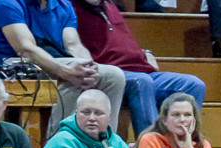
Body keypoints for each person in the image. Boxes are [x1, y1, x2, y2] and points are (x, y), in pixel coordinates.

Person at [0, 0, 125, 136]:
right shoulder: (8, 4)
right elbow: (26, 49)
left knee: (114, 76)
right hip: (18, 68)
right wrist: (65, 71)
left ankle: (103, 142)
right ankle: (59, 143)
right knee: (74, 78)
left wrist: (89, 68)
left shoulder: (63, 5)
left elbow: (73, 45)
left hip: (57, 61)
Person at [69, 0, 206, 135]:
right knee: (142, 81)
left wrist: (146, 52)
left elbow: (123, 43)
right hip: (115, 74)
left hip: (142, 69)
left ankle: (184, 146)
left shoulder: (110, 6)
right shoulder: (71, 9)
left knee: (194, 85)